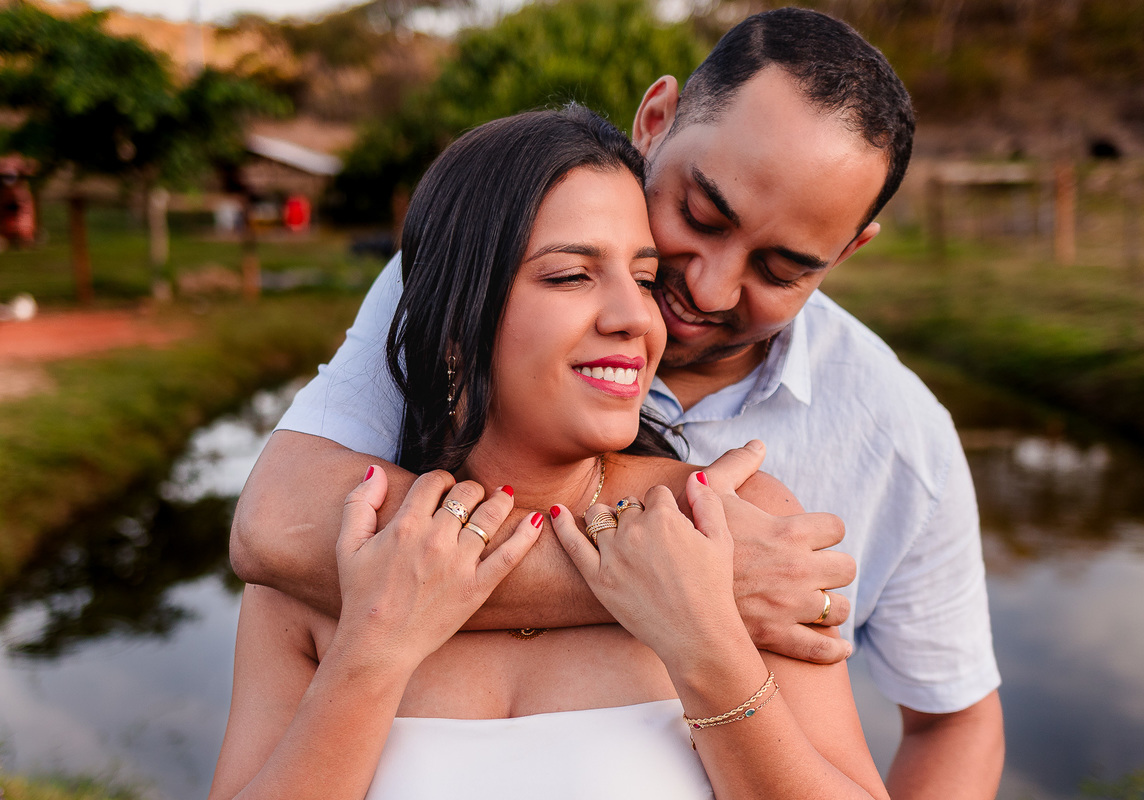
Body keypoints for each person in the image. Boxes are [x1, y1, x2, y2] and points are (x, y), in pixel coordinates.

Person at [231, 9, 1004, 797]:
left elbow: (955, 718)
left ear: (846, 251)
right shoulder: (453, 276)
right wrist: (689, 583)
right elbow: (272, 528)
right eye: (701, 217)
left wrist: (705, 636)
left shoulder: (881, 447)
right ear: (656, 122)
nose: (696, 293)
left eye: (782, 269)